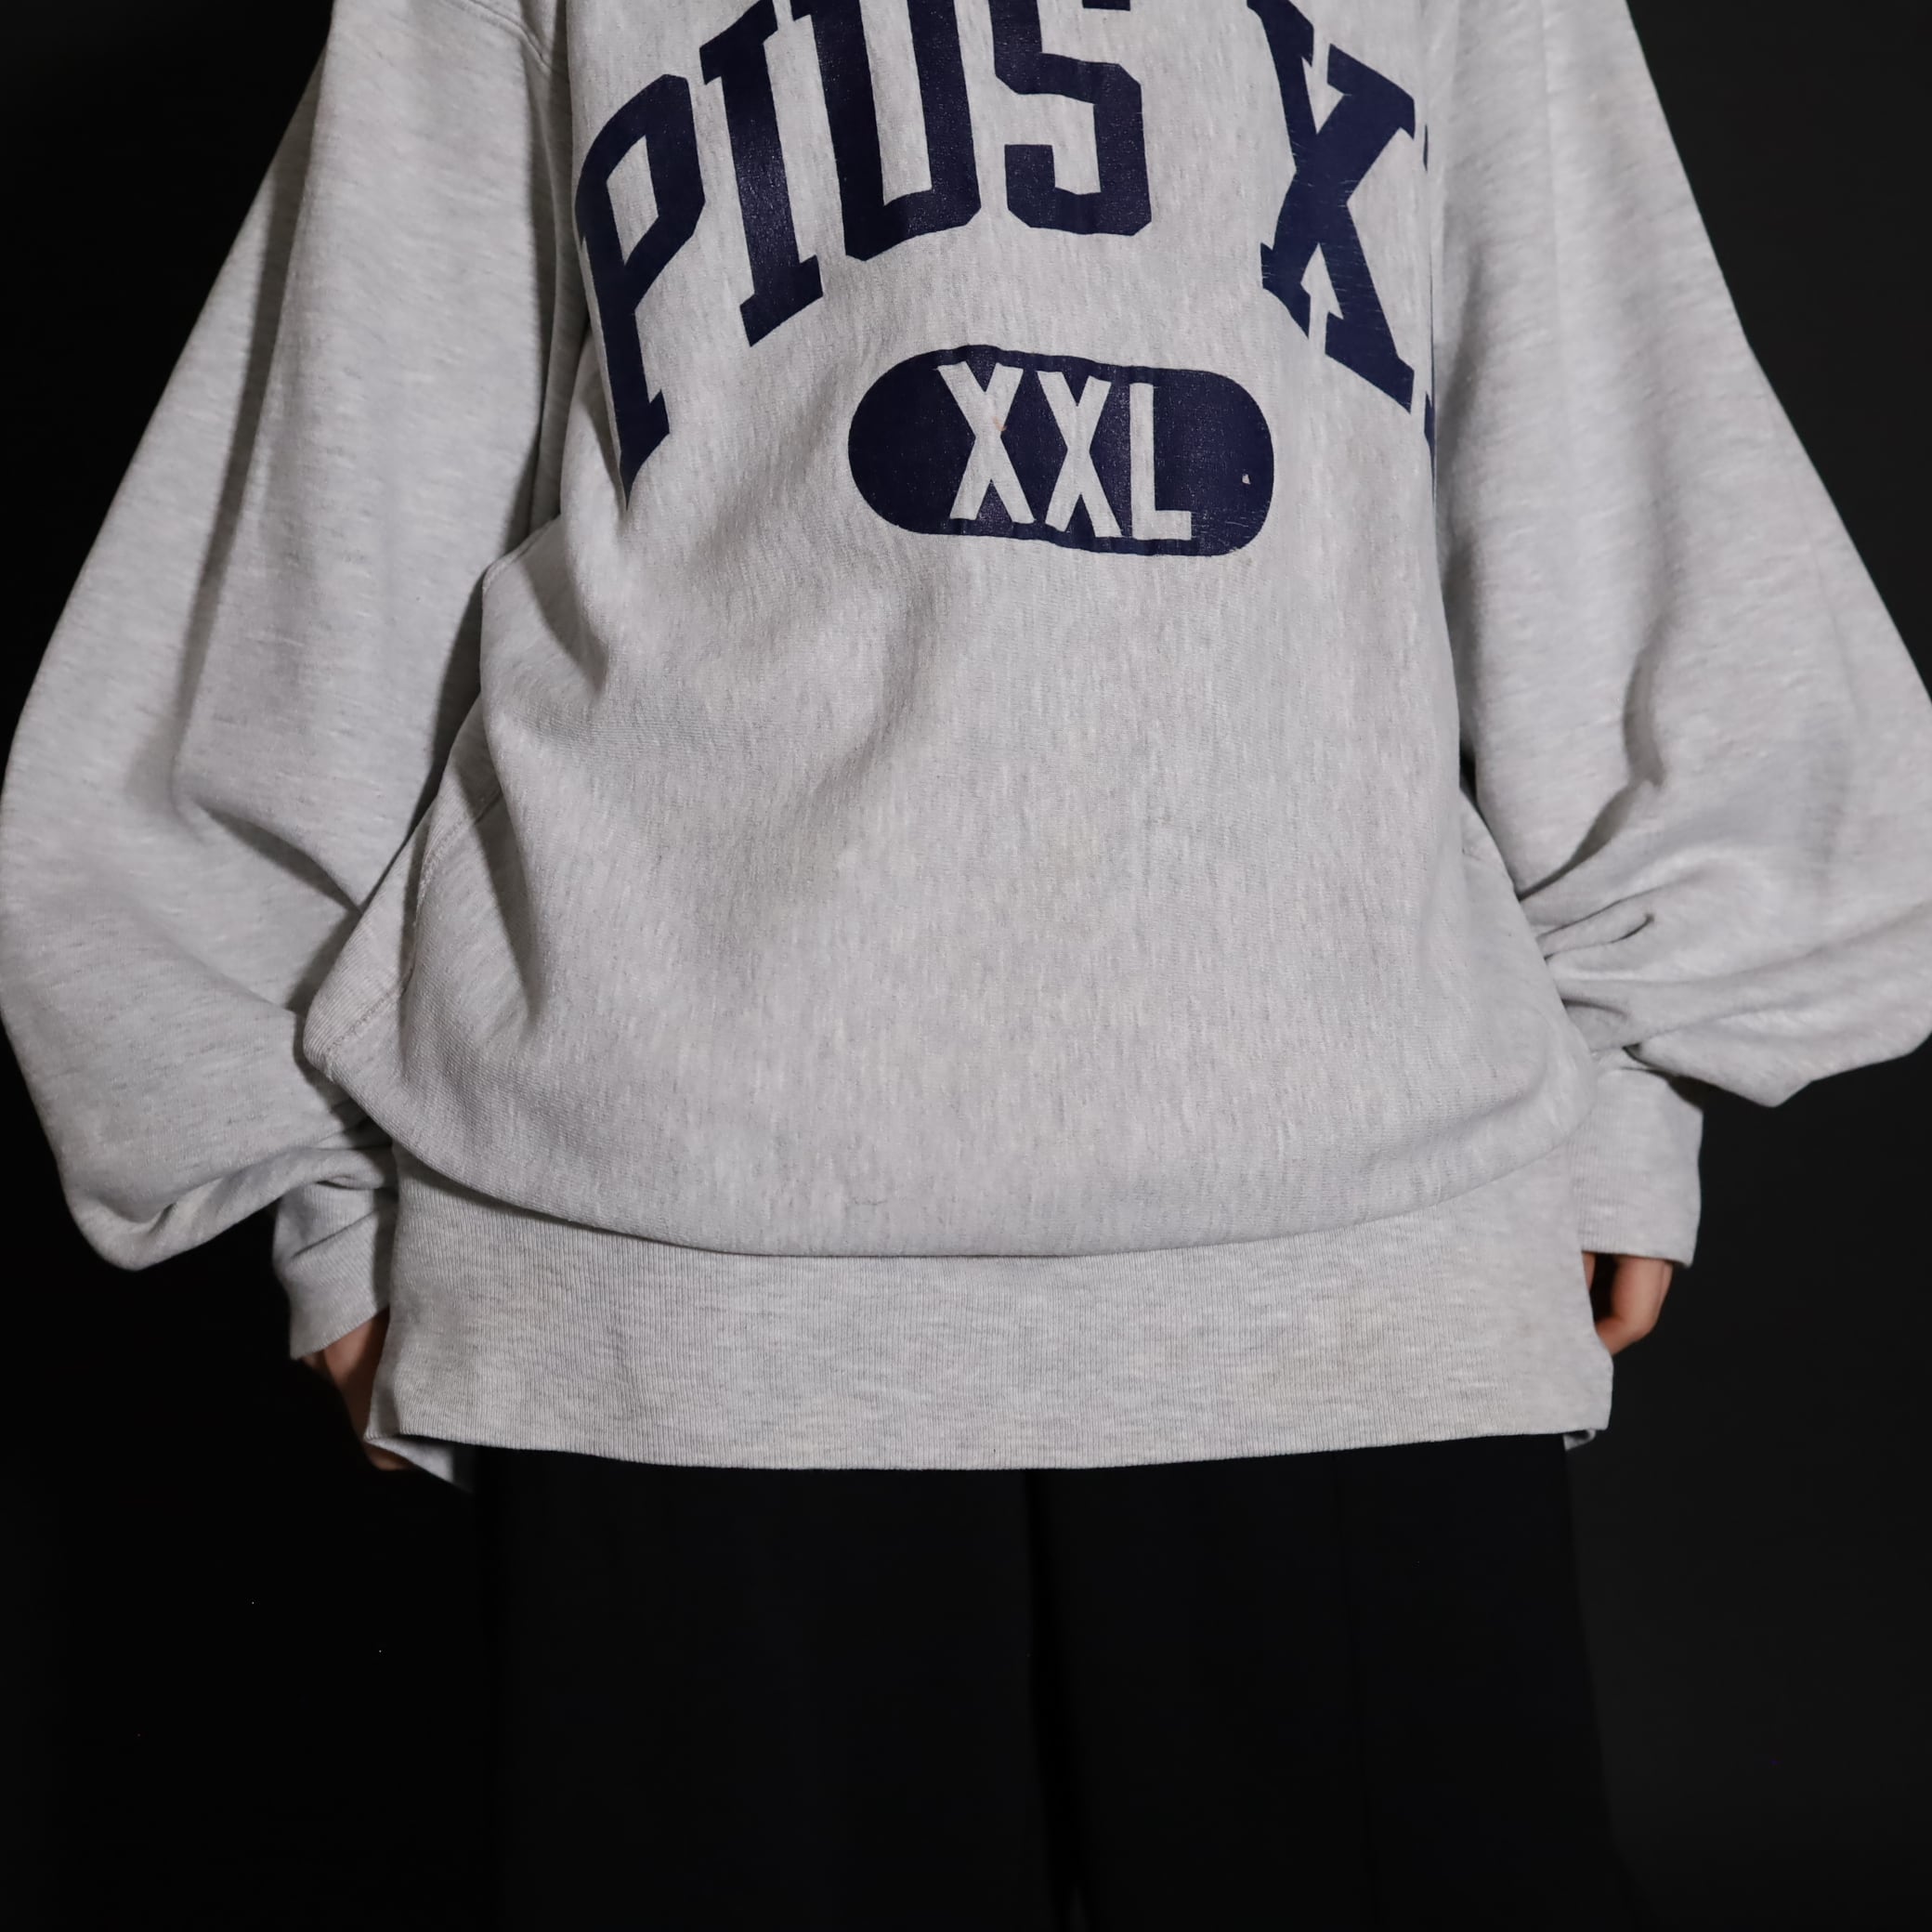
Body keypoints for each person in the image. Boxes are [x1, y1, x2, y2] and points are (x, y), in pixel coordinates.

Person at [4, 1, 1929, 1925]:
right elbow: (333, 506)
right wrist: (306, 1176)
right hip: (678, 1283)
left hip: (1345, 1264)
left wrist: (1626, 1079)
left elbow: (1602, 422)